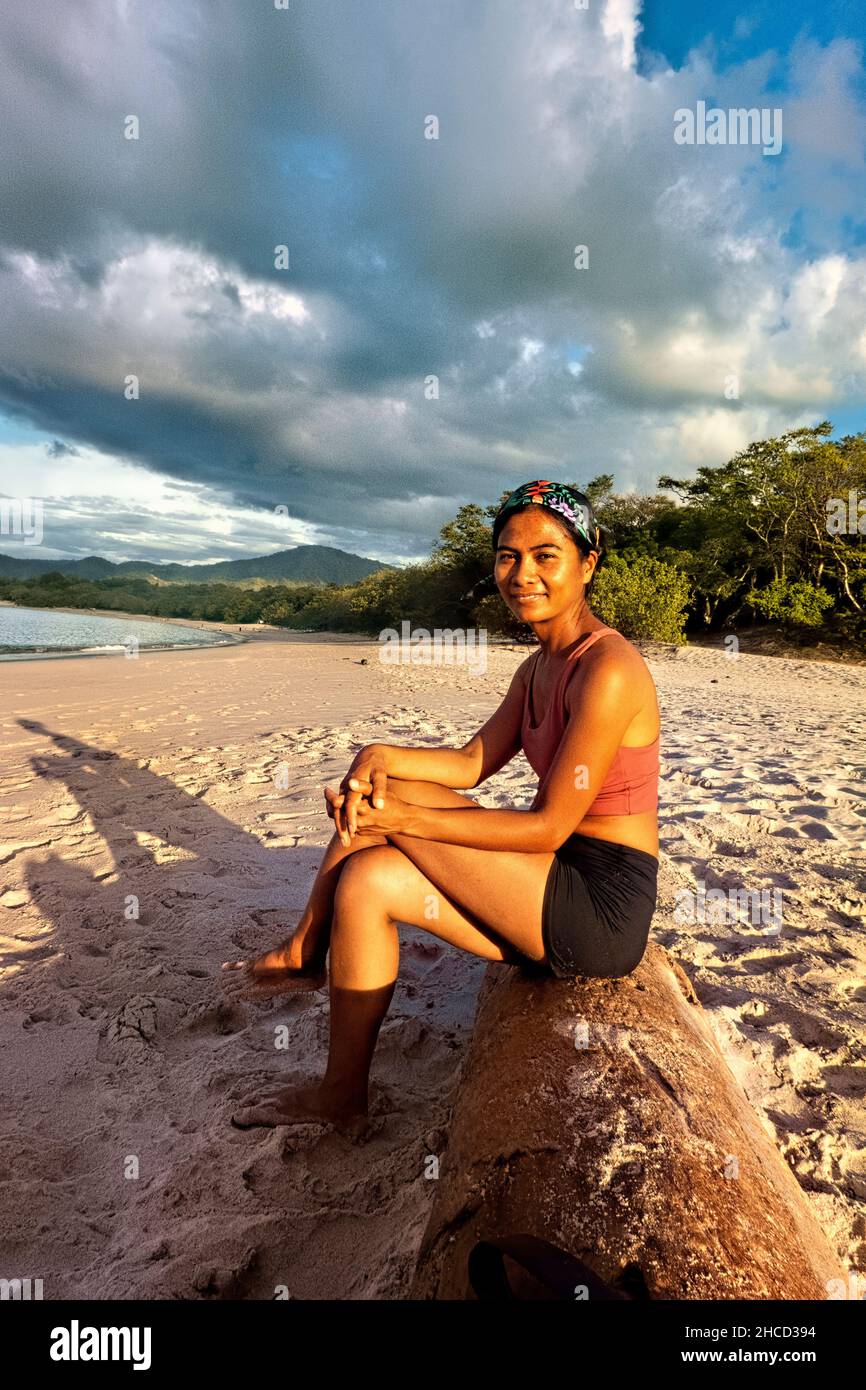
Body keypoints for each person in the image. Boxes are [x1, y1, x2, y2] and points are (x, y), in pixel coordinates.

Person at [224, 479, 660, 1137]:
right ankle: (341, 1094)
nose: (523, 574)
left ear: (587, 561)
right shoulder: (537, 665)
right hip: (544, 883)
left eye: (546, 556)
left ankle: (304, 951)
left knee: (385, 807)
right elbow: (470, 762)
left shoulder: (610, 668)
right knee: (368, 880)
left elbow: (547, 828)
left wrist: (396, 819)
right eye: (508, 556)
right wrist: (383, 752)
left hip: (596, 905)